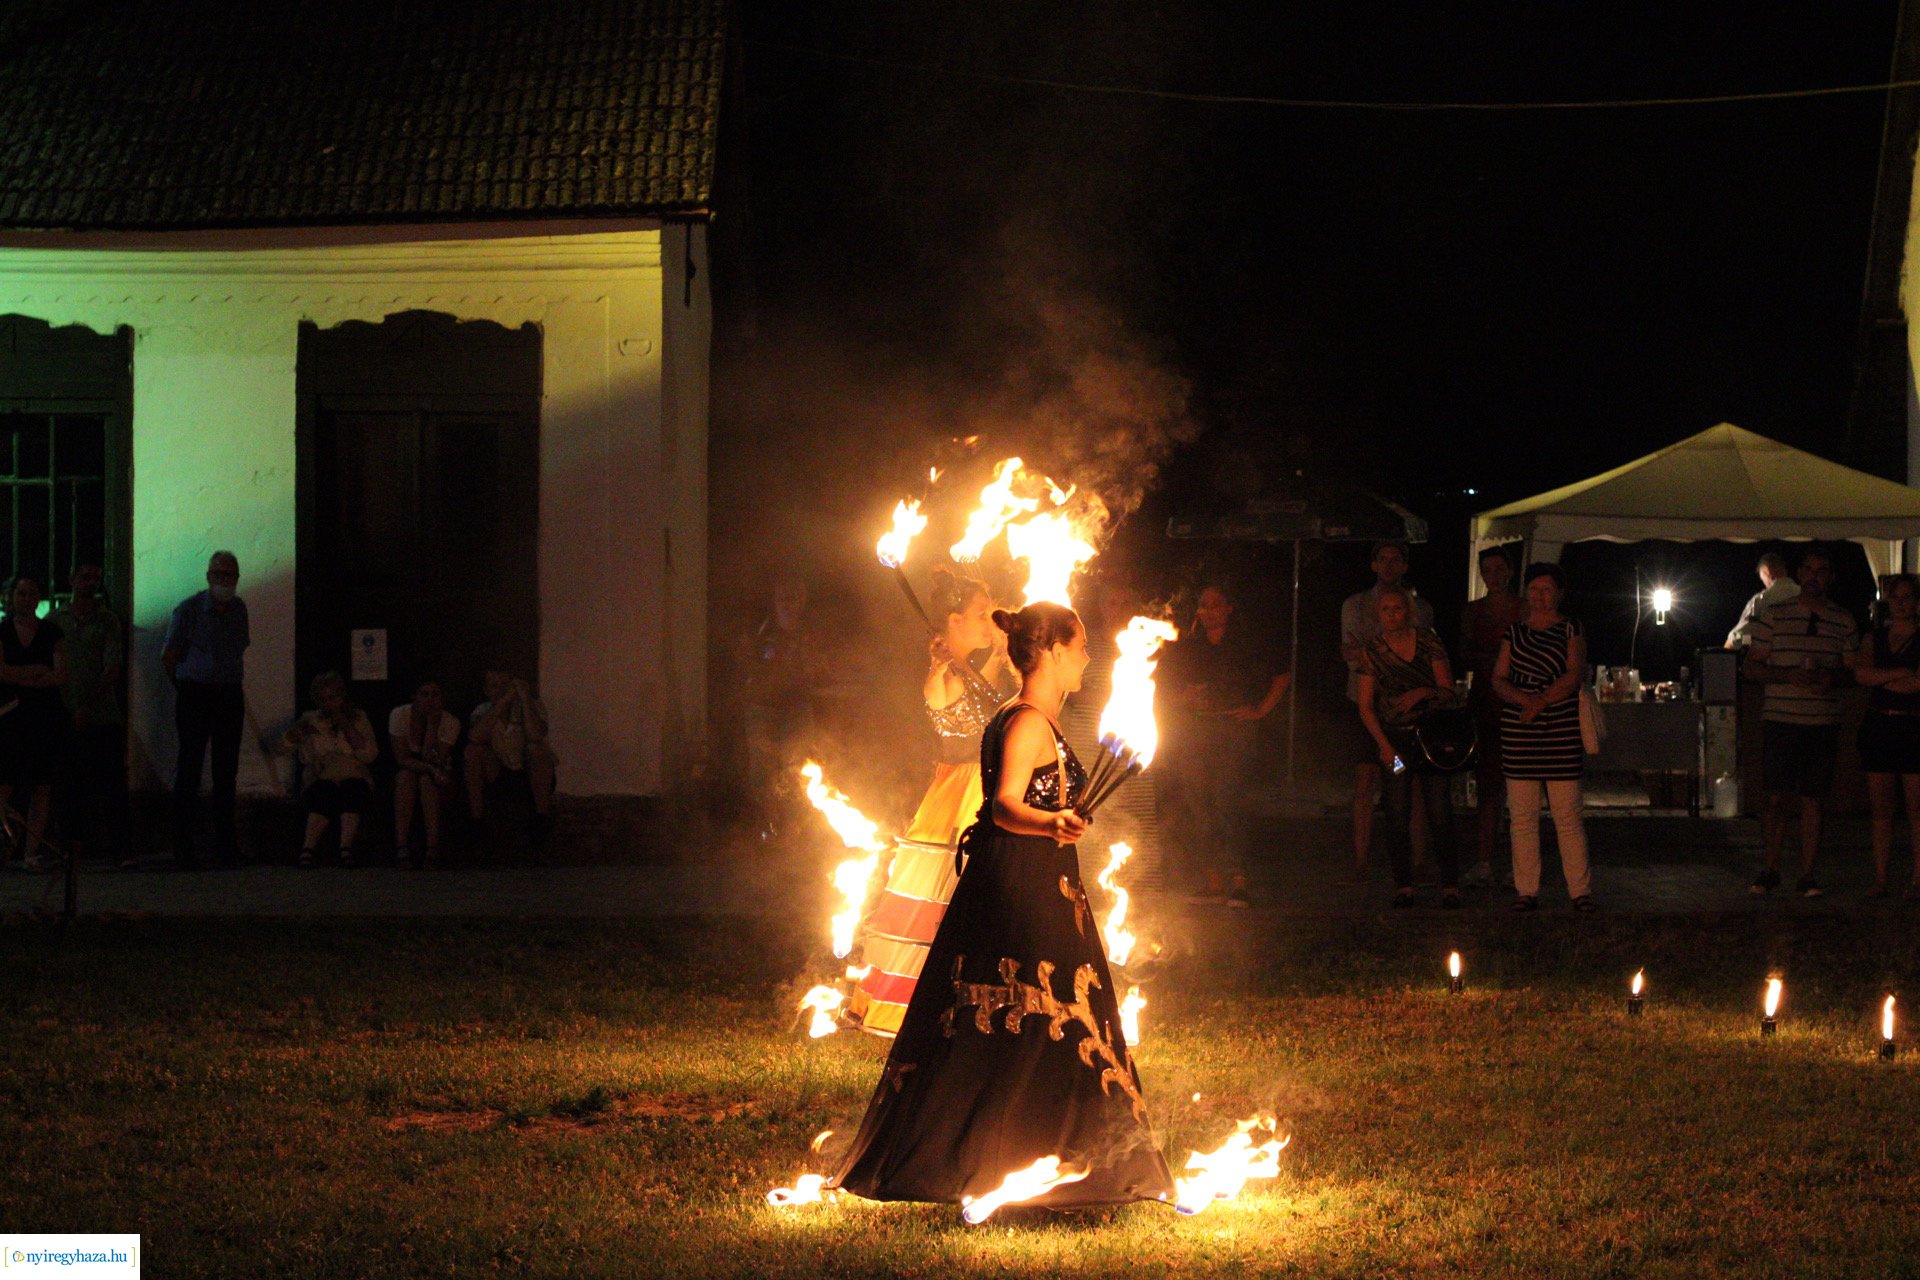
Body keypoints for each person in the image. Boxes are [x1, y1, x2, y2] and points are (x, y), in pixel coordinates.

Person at [832, 602, 1175, 1209]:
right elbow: (1004, 807)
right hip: (1021, 882)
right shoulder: (1024, 724)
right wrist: (1054, 822)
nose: (1088, 658)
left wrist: (1055, 826)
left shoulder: (1033, 719)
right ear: (1052, 651)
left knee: (1042, 1018)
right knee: (1031, 1011)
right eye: (1081, 647)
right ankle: (1009, 1155)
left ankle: (1042, 1149)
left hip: (1038, 879)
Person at [846, 568, 1015, 1038]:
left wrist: (1000, 657)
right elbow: (940, 690)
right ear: (954, 621)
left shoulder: (971, 670)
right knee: (943, 890)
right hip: (959, 793)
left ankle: (968, 994)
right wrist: (939, 662)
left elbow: (981, 697)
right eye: (982, 614)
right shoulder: (942, 672)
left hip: (982, 782)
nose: (990, 620)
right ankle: (916, 1003)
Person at [1160, 583, 1289, 906]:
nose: (1209, 611)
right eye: (1204, 605)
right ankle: (1213, 881)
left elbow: (1282, 676)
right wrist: (1183, 697)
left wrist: (1260, 710)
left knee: (1227, 801)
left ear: (1229, 608)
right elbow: (1164, 684)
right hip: (1196, 730)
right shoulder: (1189, 645)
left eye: (1216, 604)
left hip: (1234, 728)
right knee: (1199, 804)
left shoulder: (1245, 642)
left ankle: (1239, 880)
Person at [1743, 549, 1858, 897]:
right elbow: (1751, 667)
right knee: (1775, 798)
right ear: (1798, 574)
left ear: (1831, 577)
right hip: (1781, 719)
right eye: (1808, 569)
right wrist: (1785, 674)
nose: (1814, 576)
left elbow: (1852, 672)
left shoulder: (1844, 621)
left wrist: (1832, 679)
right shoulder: (1774, 616)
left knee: (1813, 800)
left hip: (1822, 721)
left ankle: (1808, 874)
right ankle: (1770, 868)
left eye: (1821, 571)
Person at [1491, 563, 1592, 912]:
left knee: (1567, 814)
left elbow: (1574, 671)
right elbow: (1499, 678)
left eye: (1547, 589)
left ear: (1559, 593)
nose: (1540, 596)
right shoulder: (1514, 633)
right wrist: (1526, 702)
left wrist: (1542, 701)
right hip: (1520, 728)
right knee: (1522, 816)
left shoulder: (1570, 628)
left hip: (1560, 727)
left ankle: (1580, 891)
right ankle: (1526, 890)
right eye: (1534, 589)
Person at [1357, 585, 1462, 908]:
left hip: (1429, 740)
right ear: (1378, 614)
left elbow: (1447, 690)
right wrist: (1384, 747)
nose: (1392, 615)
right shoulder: (1373, 650)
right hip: (1396, 743)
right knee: (1397, 810)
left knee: (1438, 810)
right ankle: (1404, 885)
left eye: (1398, 609)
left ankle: (1449, 884)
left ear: (1408, 611)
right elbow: (1365, 704)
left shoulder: (1428, 641)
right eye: (1386, 610)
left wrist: (1422, 692)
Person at [1341, 542, 1433, 878]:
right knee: (1366, 781)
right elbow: (1349, 651)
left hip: (1405, 711)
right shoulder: (1356, 605)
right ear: (1374, 564)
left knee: (1411, 783)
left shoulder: (1421, 609)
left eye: (1397, 560)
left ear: (1405, 566)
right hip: (1365, 707)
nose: (1390, 565)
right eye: (1384, 559)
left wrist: (1373, 649)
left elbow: (1421, 653)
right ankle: (1361, 860)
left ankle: (1418, 860)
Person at [163, 550, 249, 868]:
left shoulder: (239, 609)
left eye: (230, 575)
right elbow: (169, 656)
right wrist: (186, 688)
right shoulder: (188, 610)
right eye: (219, 575)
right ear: (209, 576)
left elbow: (238, 649)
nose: (225, 581)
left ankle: (225, 847)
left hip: (229, 694)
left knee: (226, 772)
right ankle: (183, 849)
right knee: (189, 770)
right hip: (196, 694)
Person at [49, 561, 130, 868]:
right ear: (72, 580)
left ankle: (121, 849)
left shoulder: (107, 620)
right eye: (85, 577)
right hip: (66, 714)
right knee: (70, 786)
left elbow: (112, 668)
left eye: (95, 578)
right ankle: (72, 850)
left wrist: (87, 706)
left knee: (112, 785)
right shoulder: (56, 620)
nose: (90, 583)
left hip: (102, 715)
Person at [1849, 575, 1920, 898]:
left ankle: (1917, 879)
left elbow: (1916, 685)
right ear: (1887, 601)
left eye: (1908, 597)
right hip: (1881, 727)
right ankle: (1881, 878)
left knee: (1916, 808)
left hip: (1914, 726)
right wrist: (1901, 673)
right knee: (1881, 810)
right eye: (1897, 598)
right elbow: (1862, 674)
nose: (1902, 604)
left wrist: (1883, 679)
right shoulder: (1874, 638)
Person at [1457, 546, 1524, 886]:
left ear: (1509, 570)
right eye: (1487, 569)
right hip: (1486, 699)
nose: (1493, 575)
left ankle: (1521, 859)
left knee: (1521, 784)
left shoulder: (1524, 608)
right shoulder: (1473, 611)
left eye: (1499, 568)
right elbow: (1464, 653)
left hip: (1517, 699)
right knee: (1488, 782)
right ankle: (1485, 858)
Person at [0, 572, 68, 871]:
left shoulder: (52, 632)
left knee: (42, 786)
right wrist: (38, 670)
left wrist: (22, 677)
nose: (26, 599)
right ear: (11, 597)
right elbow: (2, 673)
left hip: (44, 717)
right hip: (11, 717)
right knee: (4, 783)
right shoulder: (1, 631)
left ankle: (31, 853)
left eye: (31, 593)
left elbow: (61, 675)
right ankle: (6, 847)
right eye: (21, 593)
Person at [275, 671, 378, 867]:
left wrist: (346, 726)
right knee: (324, 792)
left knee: (352, 790)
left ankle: (345, 848)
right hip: (321, 774)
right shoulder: (311, 719)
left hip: (352, 772)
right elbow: (280, 748)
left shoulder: (358, 718)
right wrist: (297, 734)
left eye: (332, 698)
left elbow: (369, 755)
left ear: (342, 696)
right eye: (322, 699)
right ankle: (308, 848)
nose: (328, 704)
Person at [465, 669, 558, 839]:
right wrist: (502, 704)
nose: (500, 690)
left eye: (505, 686)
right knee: (473, 751)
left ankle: (541, 817)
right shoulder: (482, 710)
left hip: (530, 772)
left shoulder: (533, 706)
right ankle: (477, 820)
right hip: (499, 772)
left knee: (536, 749)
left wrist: (524, 699)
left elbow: (536, 735)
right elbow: (475, 737)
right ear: (486, 690)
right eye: (495, 686)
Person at [390, 679, 460, 868]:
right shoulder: (400, 715)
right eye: (424, 694)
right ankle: (401, 845)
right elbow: (402, 758)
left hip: (439, 772)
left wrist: (432, 726)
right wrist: (429, 768)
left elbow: (434, 759)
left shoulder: (451, 722)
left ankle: (432, 847)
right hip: (413, 769)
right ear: (415, 696)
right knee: (405, 777)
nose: (430, 699)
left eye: (435, 694)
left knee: (427, 783)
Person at [1726, 552, 1799, 650]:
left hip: (1771, 658)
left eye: (1762, 578)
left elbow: (1741, 635)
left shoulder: (1761, 599)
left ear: (1767, 571)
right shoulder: (1802, 593)